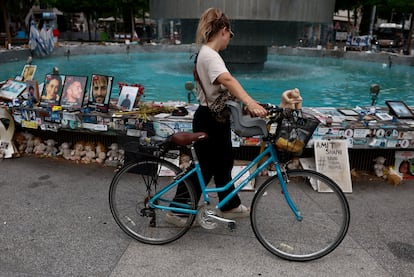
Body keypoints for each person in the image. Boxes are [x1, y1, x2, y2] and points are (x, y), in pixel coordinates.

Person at [168, 8, 268, 226]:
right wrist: (250, 101)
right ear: (224, 30)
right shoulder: (211, 56)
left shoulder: (207, 54)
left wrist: (244, 103)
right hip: (209, 118)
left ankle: (229, 205)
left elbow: (223, 87)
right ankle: (178, 210)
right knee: (205, 166)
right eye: (230, 36)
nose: (229, 41)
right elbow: (228, 80)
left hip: (215, 117)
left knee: (223, 162)